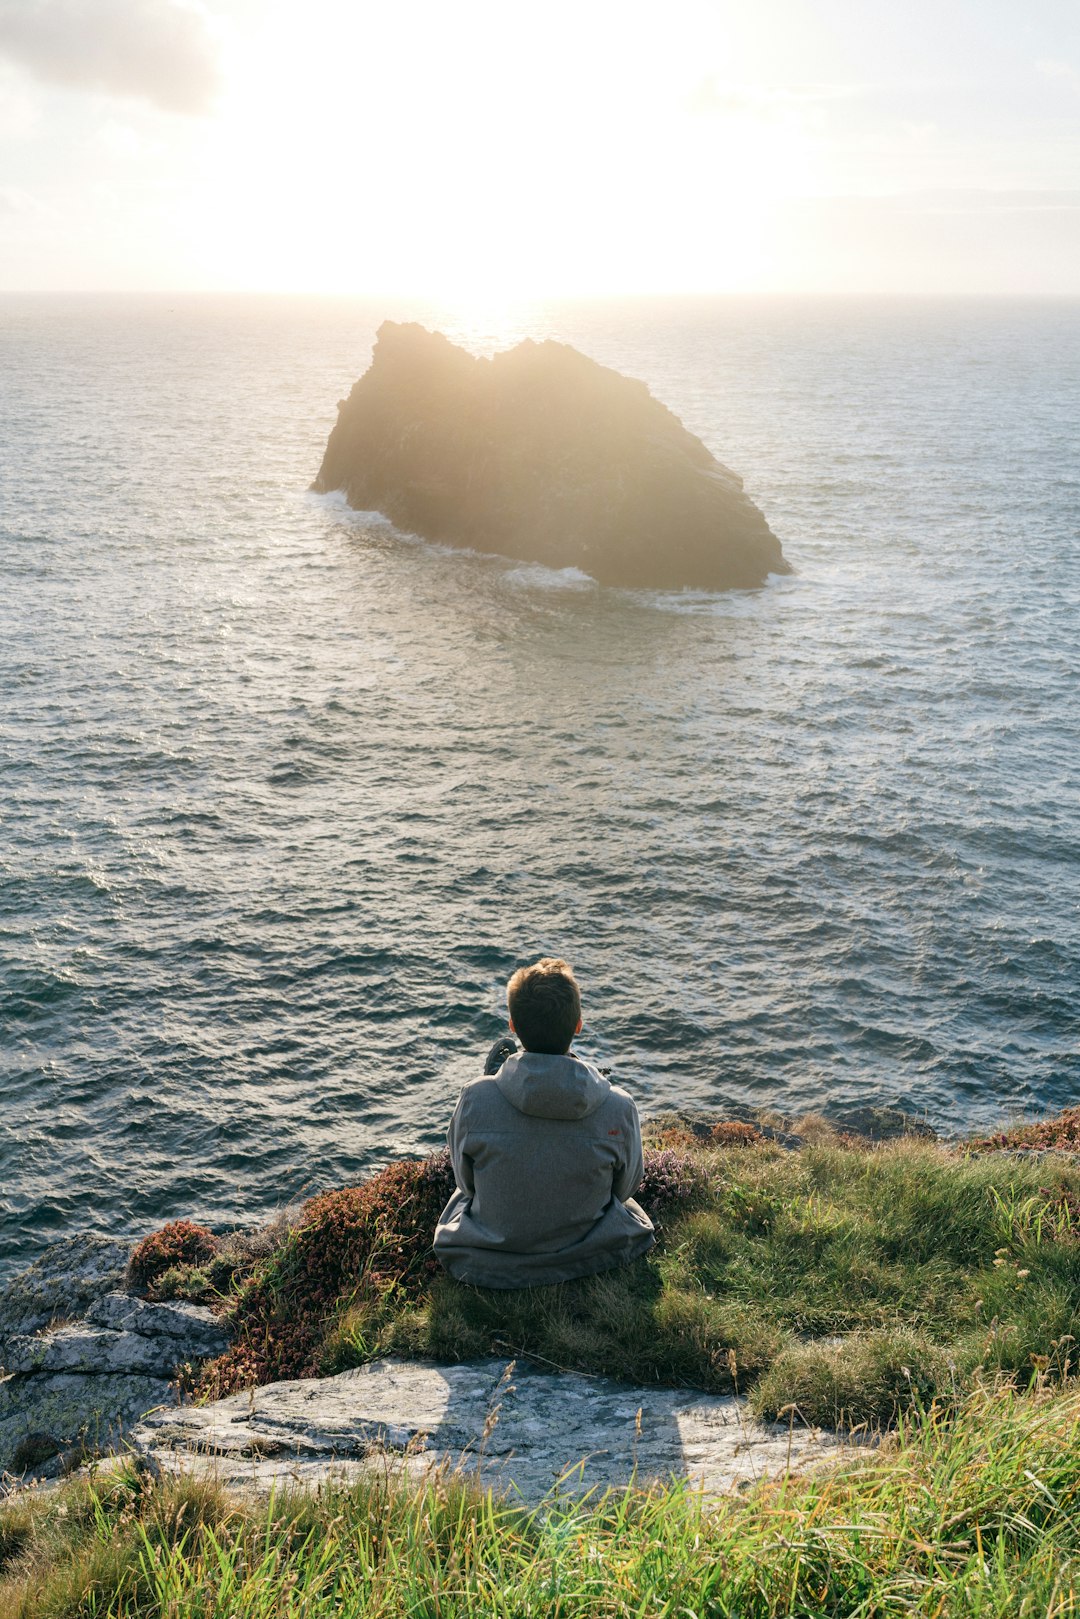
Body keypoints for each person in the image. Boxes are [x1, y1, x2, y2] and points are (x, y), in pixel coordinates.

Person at [433, 957, 655, 1288]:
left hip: (489, 1259)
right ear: (578, 1025)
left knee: (463, 1191)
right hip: (588, 1254)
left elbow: (466, 1184)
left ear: (512, 1024)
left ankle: (500, 1083)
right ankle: (568, 1082)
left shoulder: (472, 1098)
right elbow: (624, 1190)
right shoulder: (618, 1107)